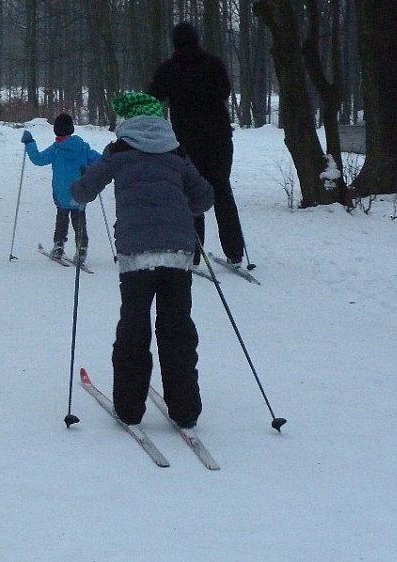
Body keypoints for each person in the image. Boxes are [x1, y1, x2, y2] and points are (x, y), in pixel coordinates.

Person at [70, 91, 214, 429]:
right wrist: (182, 210)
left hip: (136, 255)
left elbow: (81, 192)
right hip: (178, 253)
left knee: (134, 328)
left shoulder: (118, 152)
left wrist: (81, 180)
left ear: (126, 121)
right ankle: (186, 410)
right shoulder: (177, 153)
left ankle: (130, 409)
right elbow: (204, 197)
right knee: (177, 329)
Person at [149, 21, 246, 265]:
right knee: (222, 190)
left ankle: (193, 254)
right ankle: (234, 252)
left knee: (192, 195)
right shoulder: (214, 64)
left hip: (187, 142)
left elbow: (152, 97)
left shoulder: (169, 69)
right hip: (219, 139)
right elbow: (225, 91)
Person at [21, 113, 100, 264]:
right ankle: (82, 248)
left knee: (61, 221)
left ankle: (58, 247)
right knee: (80, 222)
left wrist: (29, 143)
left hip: (61, 193)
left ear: (56, 131)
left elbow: (38, 159)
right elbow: (99, 160)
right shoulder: (83, 147)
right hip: (79, 193)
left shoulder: (56, 149)